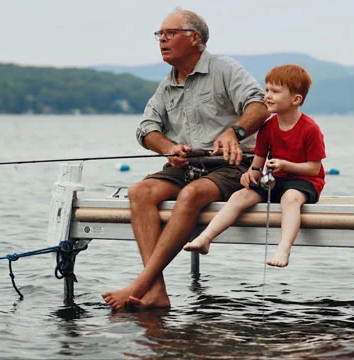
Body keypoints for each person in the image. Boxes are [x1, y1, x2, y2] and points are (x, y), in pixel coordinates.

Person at [101, 8, 269, 310]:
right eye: (159, 35)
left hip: (233, 164)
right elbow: (146, 129)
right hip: (186, 166)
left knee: (192, 194)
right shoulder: (167, 85)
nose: (162, 40)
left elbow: (258, 106)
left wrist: (234, 132)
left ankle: (141, 283)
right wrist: (167, 147)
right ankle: (156, 291)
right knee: (139, 191)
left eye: (169, 33)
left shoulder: (224, 68)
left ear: (195, 39)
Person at [184, 64, 325, 267]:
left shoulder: (310, 129)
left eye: (275, 92)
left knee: (290, 198)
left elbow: (314, 168)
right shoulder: (267, 127)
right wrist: (250, 175)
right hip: (276, 179)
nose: (267, 95)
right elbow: (257, 165)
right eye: (267, 89)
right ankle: (206, 238)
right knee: (239, 196)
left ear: (296, 99)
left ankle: (283, 249)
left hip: (304, 181)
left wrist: (286, 165)